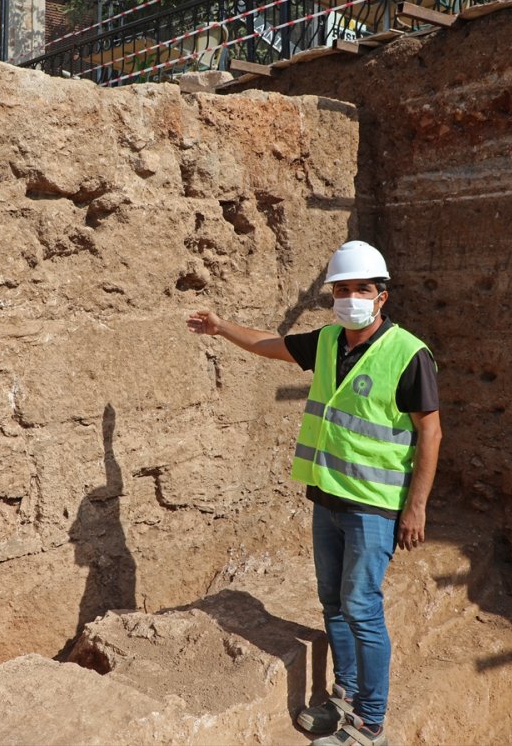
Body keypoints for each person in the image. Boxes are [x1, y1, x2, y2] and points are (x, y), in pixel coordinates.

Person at [186, 240, 441, 746]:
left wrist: (416, 507)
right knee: (332, 601)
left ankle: (371, 723)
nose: (349, 297)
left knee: (362, 606)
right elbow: (268, 344)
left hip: (374, 506)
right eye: (340, 289)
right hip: (327, 498)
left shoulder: (408, 354)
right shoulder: (327, 342)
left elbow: (430, 433)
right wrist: (221, 327)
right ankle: (344, 696)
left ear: (381, 296)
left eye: (360, 289)